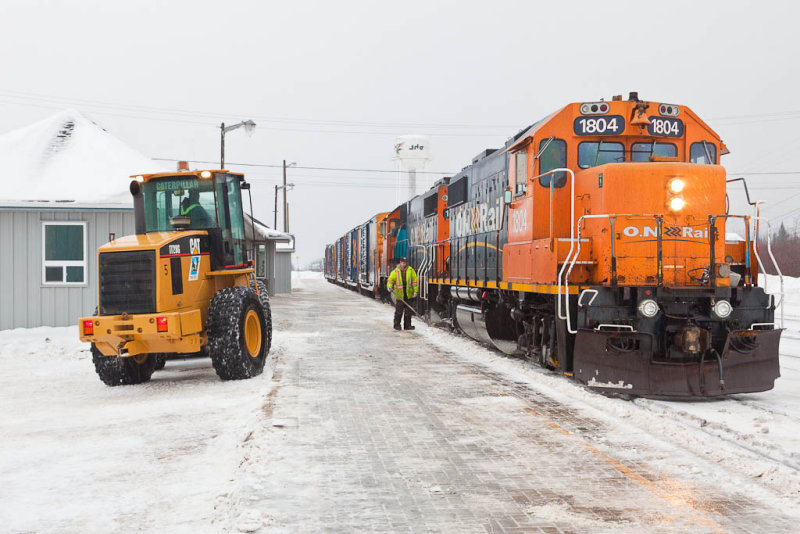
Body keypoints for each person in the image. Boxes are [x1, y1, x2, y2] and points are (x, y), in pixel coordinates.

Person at [387, 257, 418, 330]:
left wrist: (415, 291)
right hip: (399, 294)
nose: (404, 264)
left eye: (405, 262)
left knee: (408, 311)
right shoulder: (395, 272)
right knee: (399, 311)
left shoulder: (411, 270)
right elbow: (390, 280)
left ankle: (407, 325)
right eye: (403, 262)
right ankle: (397, 325)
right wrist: (389, 287)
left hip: (408, 293)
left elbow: (414, 282)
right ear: (400, 262)